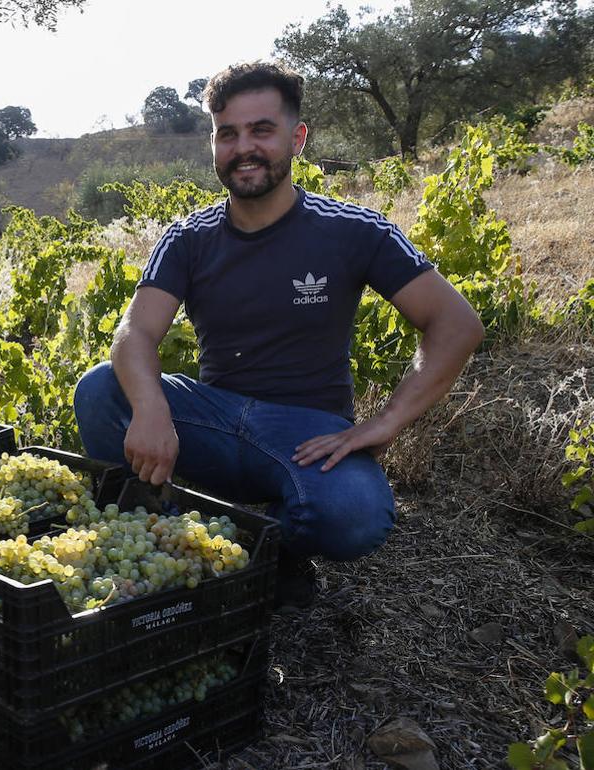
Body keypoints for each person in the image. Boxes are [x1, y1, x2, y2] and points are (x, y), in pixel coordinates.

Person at [73, 62, 485, 613]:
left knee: (354, 516)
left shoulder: (352, 230)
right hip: (212, 418)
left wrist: (385, 424)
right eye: (228, 133)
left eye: (261, 130)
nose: (244, 147)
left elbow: (456, 325)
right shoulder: (188, 238)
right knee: (101, 390)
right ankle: (171, 535)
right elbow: (135, 332)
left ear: (297, 138)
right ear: (214, 144)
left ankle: (275, 549)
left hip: (307, 431)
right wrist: (150, 408)